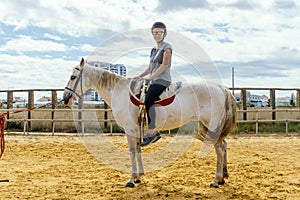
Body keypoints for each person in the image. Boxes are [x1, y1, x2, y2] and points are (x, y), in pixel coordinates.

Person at [134, 22, 172, 147]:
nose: (157, 35)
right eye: (155, 32)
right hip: (154, 79)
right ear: (152, 34)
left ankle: (152, 131)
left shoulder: (167, 47)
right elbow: (150, 67)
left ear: (164, 33)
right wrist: (140, 76)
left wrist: (151, 77)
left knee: (149, 99)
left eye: (160, 32)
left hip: (163, 80)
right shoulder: (153, 50)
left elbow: (164, 65)